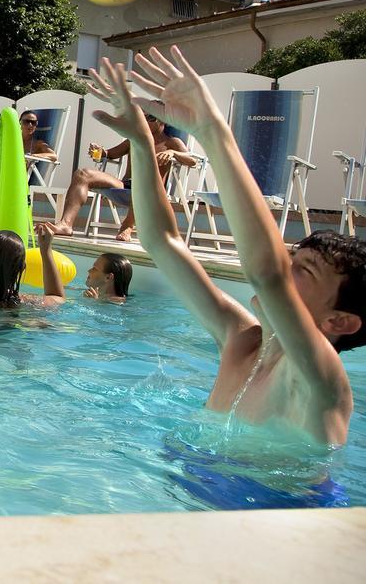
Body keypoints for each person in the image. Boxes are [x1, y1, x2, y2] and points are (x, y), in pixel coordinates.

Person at [88, 48, 364, 446]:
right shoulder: (241, 341)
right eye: (291, 257)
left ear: (338, 321)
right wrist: (142, 144)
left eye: (304, 270)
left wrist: (212, 131)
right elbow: (162, 243)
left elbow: (267, 275)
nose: (285, 268)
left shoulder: (320, 382)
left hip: (287, 507)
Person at [51, 117, 196, 242]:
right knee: (82, 174)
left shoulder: (172, 143)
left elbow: (192, 161)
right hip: (126, 185)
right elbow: (109, 154)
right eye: (142, 116)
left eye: (150, 117)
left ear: (162, 120)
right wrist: (100, 152)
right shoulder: (133, 140)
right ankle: (66, 224)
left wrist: (173, 153)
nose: (144, 120)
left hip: (153, 191)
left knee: (143, 180)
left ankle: (127, 226)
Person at [0, 110, 57, 218]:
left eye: (34, 122)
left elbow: (54, 156)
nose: (30, 125)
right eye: (26, 122)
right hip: (3, 174)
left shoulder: (37, 144)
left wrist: (32, 156)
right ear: (19, 123)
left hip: (21, 177)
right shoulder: (10, 141)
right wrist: (0, 147)